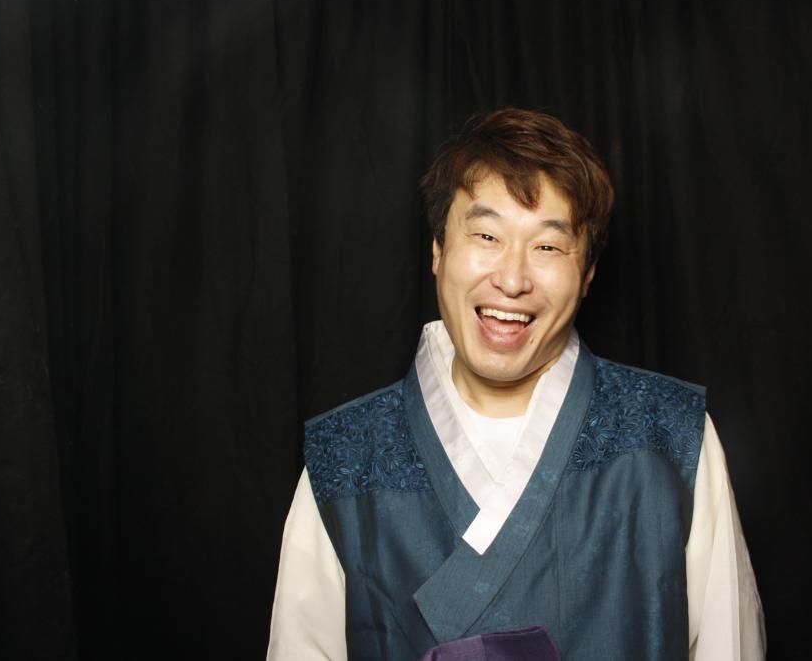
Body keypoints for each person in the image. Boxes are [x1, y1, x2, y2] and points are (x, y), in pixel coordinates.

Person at [266, 108, 765, 660]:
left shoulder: (673, 440)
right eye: (486, 235)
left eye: (547, 246)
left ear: (588, 272)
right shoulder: (345, 459)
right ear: (438, 250)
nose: (511, 279)